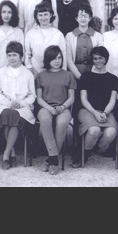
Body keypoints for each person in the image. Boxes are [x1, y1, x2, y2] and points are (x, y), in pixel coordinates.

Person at [0, 42, 36, 170]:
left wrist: (21, 103)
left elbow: (32, 95)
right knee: (7, 114)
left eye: (15, 55)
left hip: (22, 107)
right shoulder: (1, 72)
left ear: (21, 56)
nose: (12, 58)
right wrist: (8, 103)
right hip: (5, 105)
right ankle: (12, 153)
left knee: (14, 116)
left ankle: (7, 153)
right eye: (9, 55)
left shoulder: (27, 74)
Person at [72, 47, 118, 168]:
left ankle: (94, 148)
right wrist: (94, 113)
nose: (98, 61)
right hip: (87, 110)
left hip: (105, 111)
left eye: (100, 58)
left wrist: (104, 113)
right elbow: (83, 99)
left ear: (105, 59)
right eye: (95, 58)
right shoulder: (86, 76)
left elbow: (112, 100)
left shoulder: (113, 79)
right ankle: (85, 153)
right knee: (94, 130)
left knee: (111, 132)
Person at [36, 46, 77, 175]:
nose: (57, 61)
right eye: (54, 58)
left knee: (62, 122)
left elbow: (72, 98)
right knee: (45, 119)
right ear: (48, 59)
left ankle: (51, 159)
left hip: (63, 107)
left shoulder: (68, 75)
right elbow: (39, 98)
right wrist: (48, 107)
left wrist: (63, 107)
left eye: (59, 58)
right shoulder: (40, 76)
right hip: (45, 107)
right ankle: (54, 158)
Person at [0, 1, 25, 98]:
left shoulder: (18, 32)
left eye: (9, 12)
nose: (6, 15)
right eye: (3, 12)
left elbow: (22, 55)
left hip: (14, 75)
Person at [25, 3, 66, 77]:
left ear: (50, 15)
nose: (43, 18)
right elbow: (27, 54)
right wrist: (30, 71)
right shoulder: (30, 34)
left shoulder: (58, 34)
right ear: (36, 17)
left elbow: (63, 56)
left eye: (45, 14)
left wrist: (62, 74)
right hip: (35, 72)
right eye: (40, 15)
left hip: (54, 74)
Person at [66, 5, 104, 81]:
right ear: (76, 18)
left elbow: (101, 56)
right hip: (74, 74)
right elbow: (68, 59)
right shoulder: (69, 36)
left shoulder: (98, 36)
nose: (83, 19)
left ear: (90, 18)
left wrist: (92, 73)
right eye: (80, 16)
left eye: (86, 16)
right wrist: (78, 76)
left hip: (94, 73)